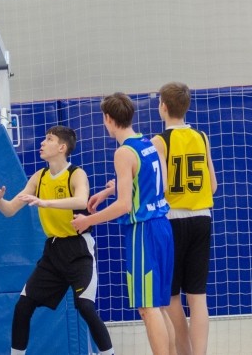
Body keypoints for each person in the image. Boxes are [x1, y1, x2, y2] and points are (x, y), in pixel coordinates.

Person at [0, 126, 114, 355]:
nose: (43, 142)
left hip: (78, 248)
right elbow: (10, 209)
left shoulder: (76, 174)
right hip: (53, 251)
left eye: (49, 139)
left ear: (62, 147)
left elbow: (81, 200)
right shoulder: (39, 177)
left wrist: (46, 203)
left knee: (85, 306)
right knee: (23, 306)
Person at [73, 92, 174, 355]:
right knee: (159, 307)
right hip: (162, 226)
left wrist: (87, 220)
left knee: (148, 308)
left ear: (108, 118)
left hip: (143, 231)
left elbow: (124, 206)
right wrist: (110, 190)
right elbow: (160, 184)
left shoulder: (123, 152)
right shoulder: (148, 143)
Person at [150, 82, 217, 355]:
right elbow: (213, 185)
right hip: (202, 217)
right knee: (198, 297)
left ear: (163, 107)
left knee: (171, 296)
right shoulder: (201, 136)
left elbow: (162, 186)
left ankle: (184, 351)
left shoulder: (159, 141)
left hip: (172, 219)